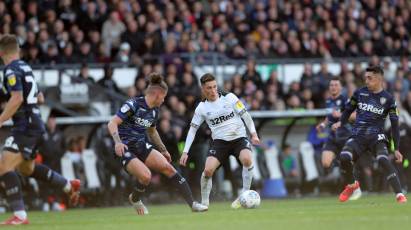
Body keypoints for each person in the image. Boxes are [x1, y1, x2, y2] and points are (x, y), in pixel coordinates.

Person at [0, 34, 80, 225]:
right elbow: (41, 97)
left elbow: (17, 98)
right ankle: (68, 185)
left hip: (25, 125)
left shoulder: (10, 70)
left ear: (1, 52)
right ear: (17, 50)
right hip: (34, 122)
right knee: (27, 169)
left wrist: (1, 119)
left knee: (4, 167)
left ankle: (20, 215)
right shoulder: (26, 67)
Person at [107, 73, 207, 215]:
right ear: (157, 94)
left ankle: (193, 204)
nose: (164, 100)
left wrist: (163, 150)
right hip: (125, 147)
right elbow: (112, 123)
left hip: (142, 145)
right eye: (164, 97)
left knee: (169, 169)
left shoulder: (154, 111)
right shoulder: (133, 104)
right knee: (146, 176)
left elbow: (152, 132)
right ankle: (135, 199)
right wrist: (117, 142)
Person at [179, 73, 260, 209]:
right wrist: (185, 151)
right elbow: (192, 130)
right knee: (208, 170)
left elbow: (246, 116)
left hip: (239, 138)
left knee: (247, 159)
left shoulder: (230, 98)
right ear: (203, 89)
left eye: (215, 87)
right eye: (209, 88)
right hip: (220, 143)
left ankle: (244, 195)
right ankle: (205, 203)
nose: (213, 90)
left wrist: (253, 134)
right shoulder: (202, 108)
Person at [332, 65, 407, 203]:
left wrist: (395, 148)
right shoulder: (359, 93)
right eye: (365, 78)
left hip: (376, 137)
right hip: (358, 136)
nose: (366, 81)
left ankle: (399, 194)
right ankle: (352, 185)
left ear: (379, 79)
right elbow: (348, 110)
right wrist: (340, 123)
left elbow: (395, 125)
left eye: (369, 78)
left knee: (383, 159)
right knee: (344, 157)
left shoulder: (389, 99)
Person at [316, 77, 362, 199]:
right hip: (332, 137)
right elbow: (329, 117)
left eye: (336, 85)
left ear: (341, 88)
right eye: (331, 85)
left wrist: (341, 115)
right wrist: (323, 124)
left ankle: (356, 189)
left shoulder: (345, 100)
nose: (333, 87)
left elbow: (355, 115)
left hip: (344, 137)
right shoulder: (328, 101)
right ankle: (341, 165)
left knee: (346, 163)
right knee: (325, 163)